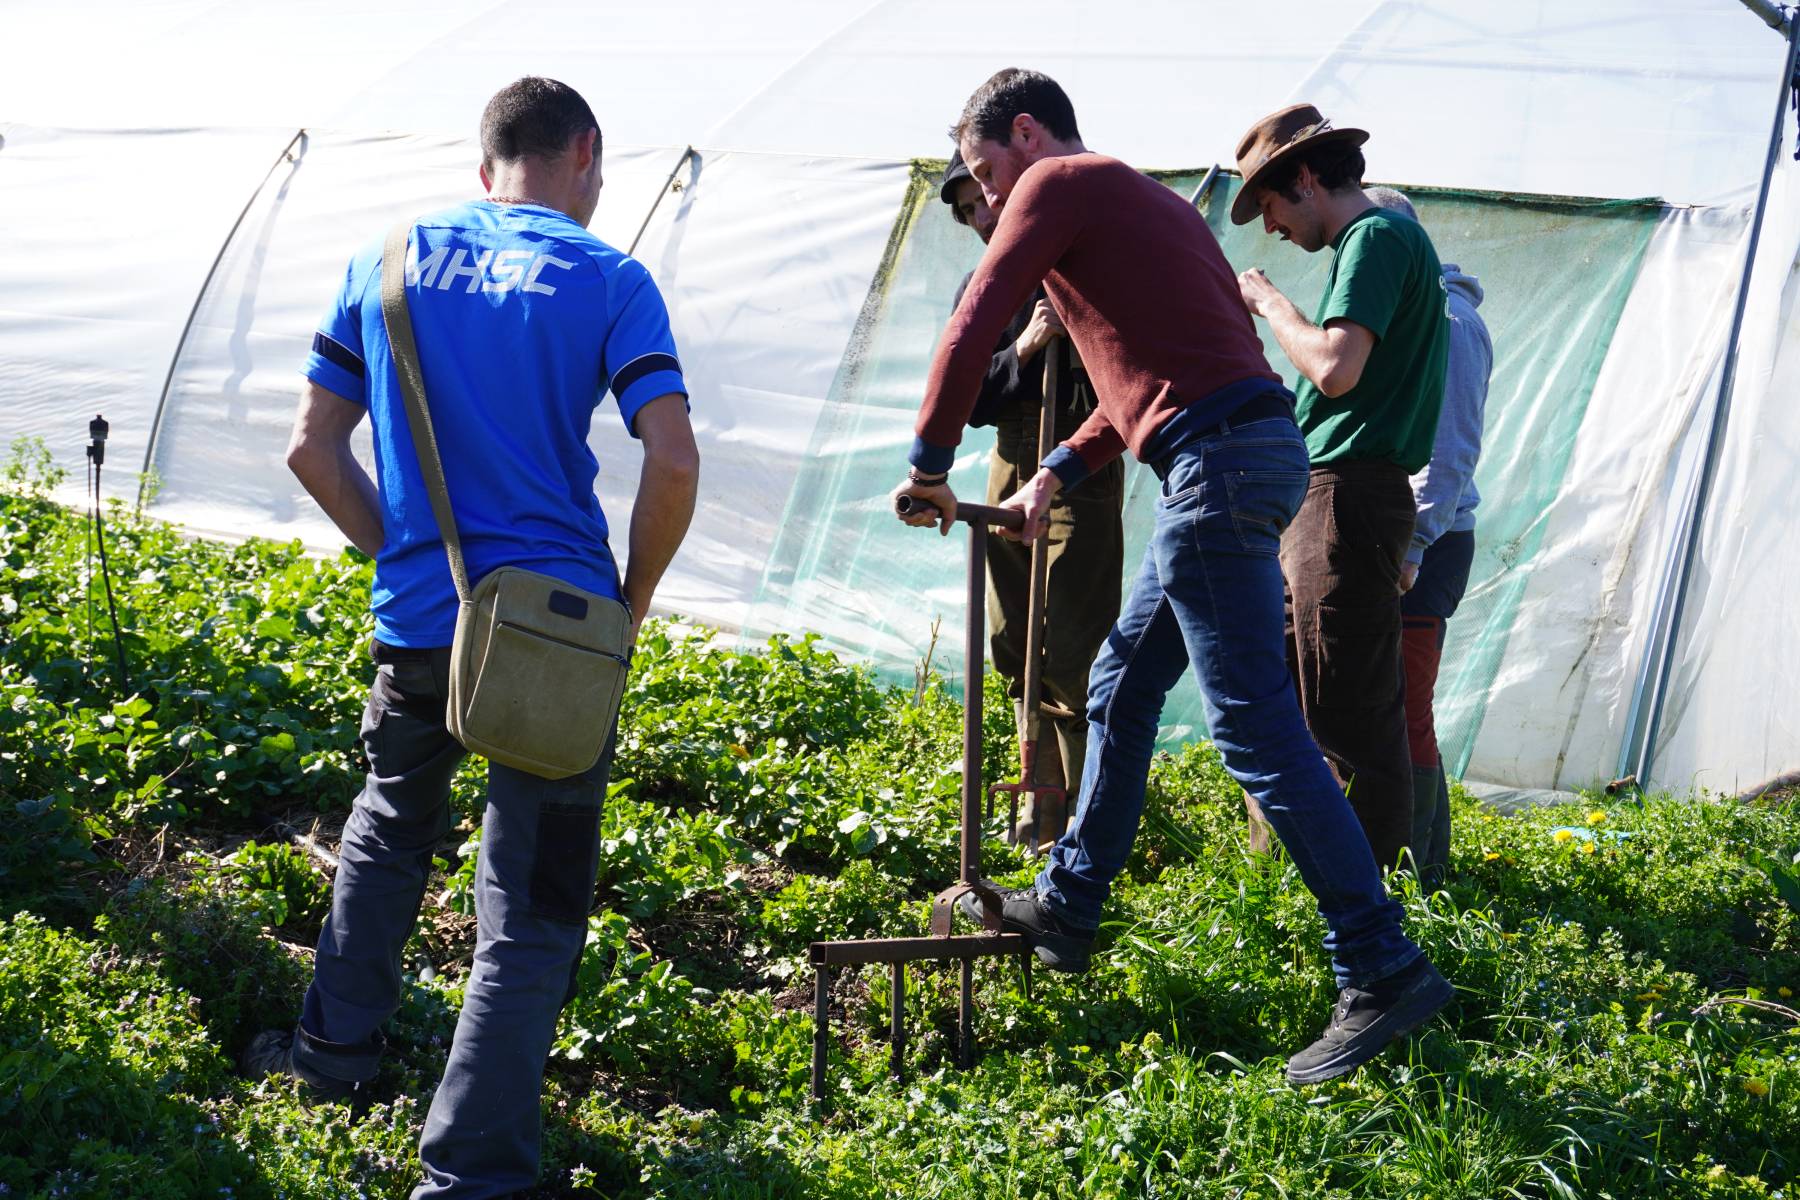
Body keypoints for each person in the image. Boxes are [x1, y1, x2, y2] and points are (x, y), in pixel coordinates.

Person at [895, 68, 1450, 1085]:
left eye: (986, 172)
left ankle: (1380, 964)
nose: (990, 199)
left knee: (1254, 726)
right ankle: (1068, 907)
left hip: (1220, 467)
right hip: (1244, 448)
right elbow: (1160, 376)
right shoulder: (1147, 204)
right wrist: (1056, 471)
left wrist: (930, 462)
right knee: (1121, 680)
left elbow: (980, 313)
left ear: (1027, 133)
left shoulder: (1062, 185)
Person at [244, 77, 699, 1198]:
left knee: (388, 833)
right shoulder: (609, 277)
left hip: (420, 623)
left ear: (482, 160)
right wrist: (627, 611)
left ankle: (329, 1062)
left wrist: (401, 555)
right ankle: (470, 1171)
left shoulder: (387, 259)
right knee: (531, 903)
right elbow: (674, 461)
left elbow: (311, 448)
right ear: (586, 154)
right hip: (553, 637)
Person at [1231, 104, 1449, 874]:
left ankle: (1373, 909)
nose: (1272, 228)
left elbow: (1334, 366)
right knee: (1298, 698)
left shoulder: (1376, 238)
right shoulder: (1375, 245)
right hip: (1331, 497)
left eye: (1271, 206)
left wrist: (1270, 306)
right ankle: (1306, 885)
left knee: (1348, 710)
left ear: (1306, 178)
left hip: (1346, 496)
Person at [940, 149, 1125, 848]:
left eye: (983, 200)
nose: (980, 218)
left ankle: (1086, 823)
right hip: (1010, 463)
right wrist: (1025, 345)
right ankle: (1035, 811)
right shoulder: (985, 286)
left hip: (1080, 471)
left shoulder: (1085, 264)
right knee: (1014, 644)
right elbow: (969, 394)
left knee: (1072, 650)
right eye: (965, 213)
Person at [1363, 185, 1492, 886]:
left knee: (1405, 704)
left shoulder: (1448, 323)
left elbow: (1450, 451)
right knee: (1384, 703)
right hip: (1392, 537)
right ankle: (1413, 864)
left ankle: (1420, 876)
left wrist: (1412, 545)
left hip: (1427, 543)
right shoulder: (1407, 314)